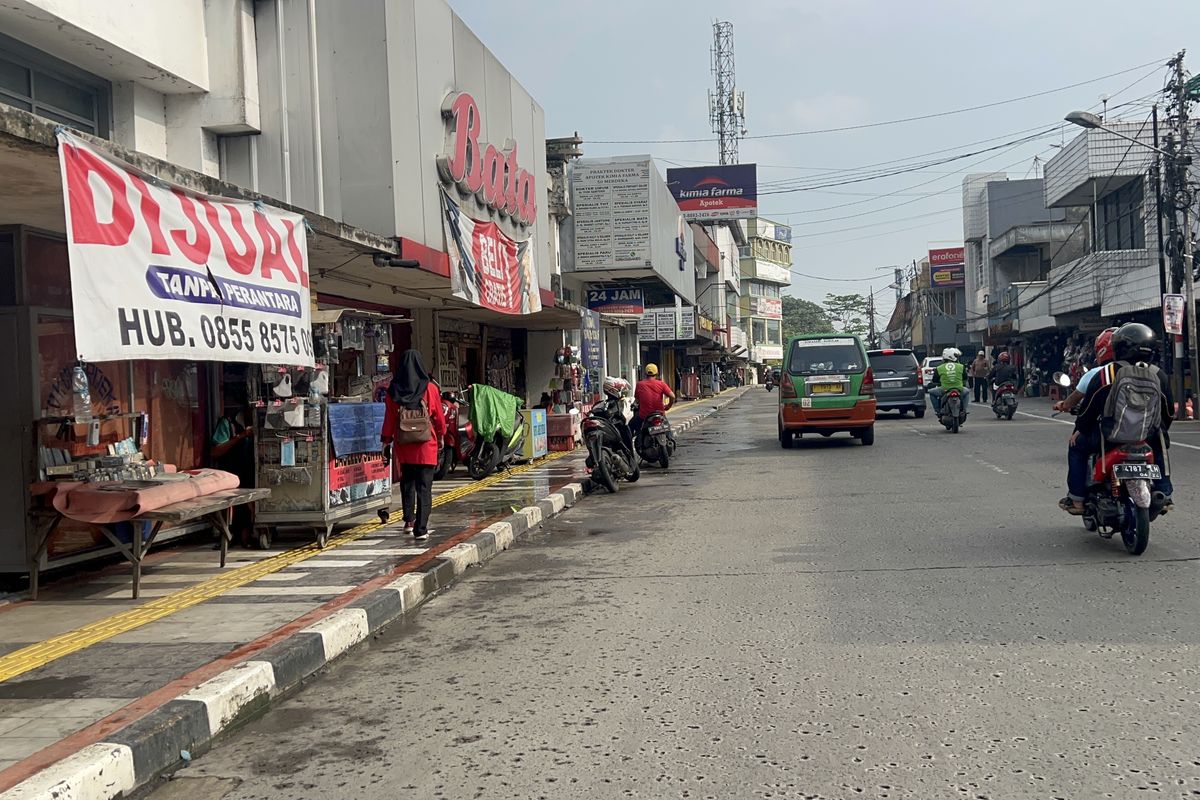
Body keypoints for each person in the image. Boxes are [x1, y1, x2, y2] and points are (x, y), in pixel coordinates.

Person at [1059, 323, 1173, 516]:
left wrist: (1080, 430)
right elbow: (1168, 412)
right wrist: (1157, 430)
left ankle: (1077, 499)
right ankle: (1165, 494)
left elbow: (1089, 409)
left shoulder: (1106, 374)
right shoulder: (1158, 375)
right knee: (1160, 442)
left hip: (1109, 436)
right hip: (1146, 435)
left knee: (1076, 447)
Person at [379, 350, 447, 541]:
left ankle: (409, 521)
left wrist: (385, 442)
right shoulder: (430, 388)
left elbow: (389, 419)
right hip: (426, 445)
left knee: (407, 482)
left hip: (404, 445)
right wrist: (441, 435)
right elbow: (438, 417)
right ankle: (421, 529)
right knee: (424, 488)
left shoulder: (394, 390)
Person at [211, 401, 256, 548]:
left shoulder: (258, 423)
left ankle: (247, 535)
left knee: (249, 502)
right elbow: (216, 451)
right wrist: (240, 436)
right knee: (233, 503)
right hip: (231, 472)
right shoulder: (228, 423)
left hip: (250, 471)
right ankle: (230, 537)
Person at [1053, 327, 1118, 414]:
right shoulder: (1136, 369)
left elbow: (1073, 399)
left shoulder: (1096, 373)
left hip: (1108, 420)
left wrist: (1063, 405)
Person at [632, 363, 676, 438]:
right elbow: (672, 396)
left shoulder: (640, 384)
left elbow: (637, 400)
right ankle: (671, 440)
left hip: (644, 416)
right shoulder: (661, 384)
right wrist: (668, 406)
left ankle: (630, 444)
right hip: (659, 414)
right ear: (657, 373)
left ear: (645, 373)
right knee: (669, 434)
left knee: (631, 426)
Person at [929, 348, 968, 416]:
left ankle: (937, 410)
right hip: (959, 389)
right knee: (967, 392)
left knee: (931, 392)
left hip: (944, 389)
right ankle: (964, 410)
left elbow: (935, 380)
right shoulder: (961, 366)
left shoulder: (939, 368)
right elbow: (965, 378)